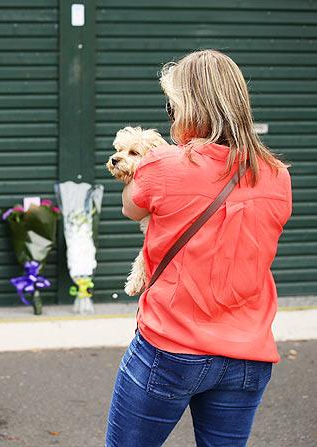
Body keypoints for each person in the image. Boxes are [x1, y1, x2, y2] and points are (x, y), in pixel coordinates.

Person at [105, 49, 292, 446]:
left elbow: (129, 208)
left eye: (172, 107)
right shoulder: (277, 175)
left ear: (189, 109)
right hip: (249, 353)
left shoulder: (165, 165)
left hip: (170, 348)